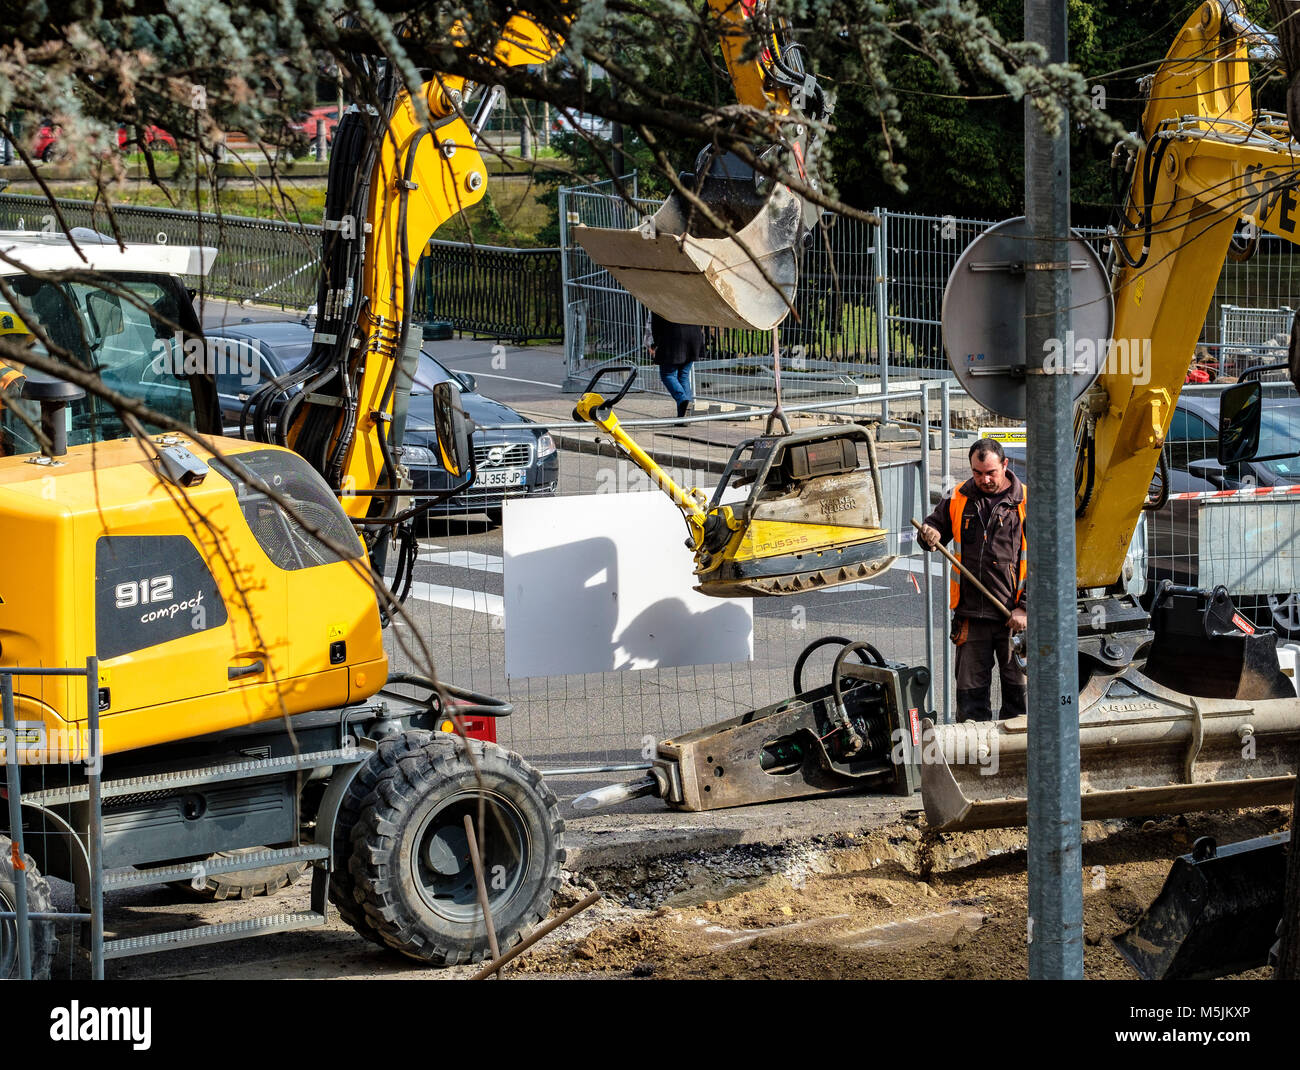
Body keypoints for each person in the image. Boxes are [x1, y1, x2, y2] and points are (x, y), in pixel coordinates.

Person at [918, 438, 1028, 722]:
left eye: (991, 472)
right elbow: (935, 527)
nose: (985, 479)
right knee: (970, 703)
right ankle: (978, 762)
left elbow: (1045, 562)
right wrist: (928, 533)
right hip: (971, 617)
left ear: (1005, 464)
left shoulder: (1025, 501)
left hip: (1013, 621)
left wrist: (1025, 608)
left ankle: (1019, 762)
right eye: (978, 473)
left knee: (1020, 701)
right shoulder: (958, 497)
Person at [645, 311, 704, 419]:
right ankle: (685, 416)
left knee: (668, 375)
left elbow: (655, 326)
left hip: (673, 339)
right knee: (683, 376)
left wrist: (654, 345)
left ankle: (682, 399)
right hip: (694, 336)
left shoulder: (660, 300)